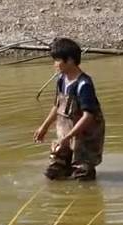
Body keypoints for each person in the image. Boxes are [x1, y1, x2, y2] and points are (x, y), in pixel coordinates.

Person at [34, 37, 105, 181]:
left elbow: (88, 116)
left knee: (83, 176)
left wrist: (68, 137)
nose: (55, 64)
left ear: (70, 60)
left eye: (58, 60)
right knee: (54, 173)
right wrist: (44, 127)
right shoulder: (61, 80)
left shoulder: (84, 85)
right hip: (67, 134)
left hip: (86, 137)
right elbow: (57, 106)